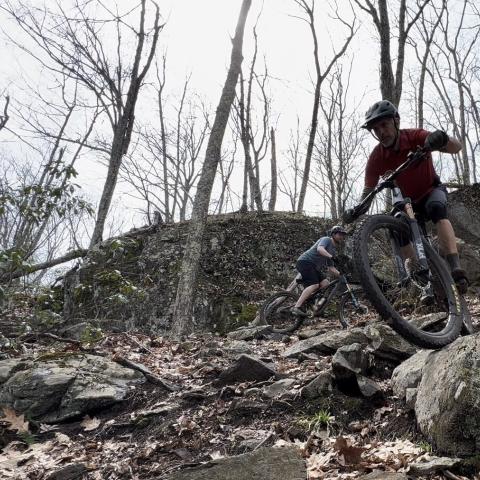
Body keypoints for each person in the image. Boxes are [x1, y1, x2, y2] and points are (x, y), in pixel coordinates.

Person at [343, 99, 468, 293]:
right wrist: (356, 210)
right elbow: (368, 192)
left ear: (396, 121)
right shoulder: (376, 157)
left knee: (436, 208)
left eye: (384, 125)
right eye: (376, 129)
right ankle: (420, 277)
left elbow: (456, 147)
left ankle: (455, 268)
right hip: (409, 204)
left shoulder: (414, 136)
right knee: (397, 227)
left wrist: (441, 139)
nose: (381, 132)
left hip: (431, 190)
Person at [292, 225, 347, 316]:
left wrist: (341, 274)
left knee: (325, 283)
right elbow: (320, 249)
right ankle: (296, 307)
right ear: (333, 234)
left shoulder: (332, 250)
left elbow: (331, 268)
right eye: (340, 234)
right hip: (305, 262)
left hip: (313, 267)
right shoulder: (326, 239)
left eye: (343, 235)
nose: (342, 237)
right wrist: (331, 257)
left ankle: (309, 300)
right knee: (314, 284)